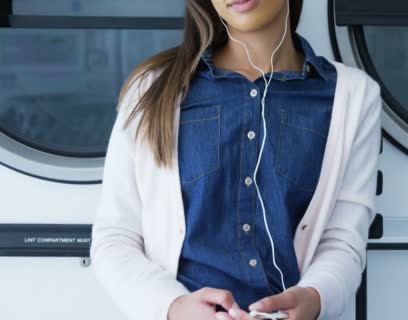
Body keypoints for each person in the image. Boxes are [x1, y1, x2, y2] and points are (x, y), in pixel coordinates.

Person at [90, 0, 382, 319]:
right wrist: (173, 307)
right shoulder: (152, 88)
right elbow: (115, 239)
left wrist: (314, 298)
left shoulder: (354, 97)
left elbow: (343, 242)